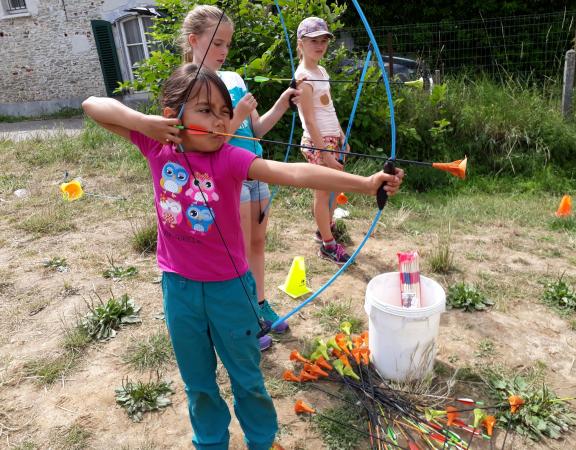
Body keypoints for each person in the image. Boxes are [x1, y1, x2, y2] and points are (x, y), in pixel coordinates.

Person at [82, 64, 404, 450]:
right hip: (179, 290)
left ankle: (261, 441)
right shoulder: (157, 145)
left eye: (224, 111)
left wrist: (367, 185)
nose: (219, 120)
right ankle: (210, 442)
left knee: (247, 379)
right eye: (205, 110)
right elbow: (92, 104)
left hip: (231, 291)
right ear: (172, 117)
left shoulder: (231, 157)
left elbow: (297, 173)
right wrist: (144, 123)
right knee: (198, 383)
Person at [180, 5, 300, 348]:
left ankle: (260, 304)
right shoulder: (191, 86)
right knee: (237, 252)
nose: (224, 51)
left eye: (228, 44)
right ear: (194, 41)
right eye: (217, 43)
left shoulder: (232, 78)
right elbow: (207, 142)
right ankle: (246, 315)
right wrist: (240, 113)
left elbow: (257, 131)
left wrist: (282, 103)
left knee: (258, 244)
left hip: (254, 170)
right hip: (227, 177)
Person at [295, 16, 353, 265]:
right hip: (318, 142)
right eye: (313, 41)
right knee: (323, 193)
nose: (320, 46)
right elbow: (308, 119)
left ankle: (324, 230)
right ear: (301, 44)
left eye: (323, 41)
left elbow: (329, 109)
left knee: (331, 191)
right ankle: (328, 246)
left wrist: (341, 135)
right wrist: (325, 152)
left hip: (331, 139)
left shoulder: (322, 71)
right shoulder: (304, 77)